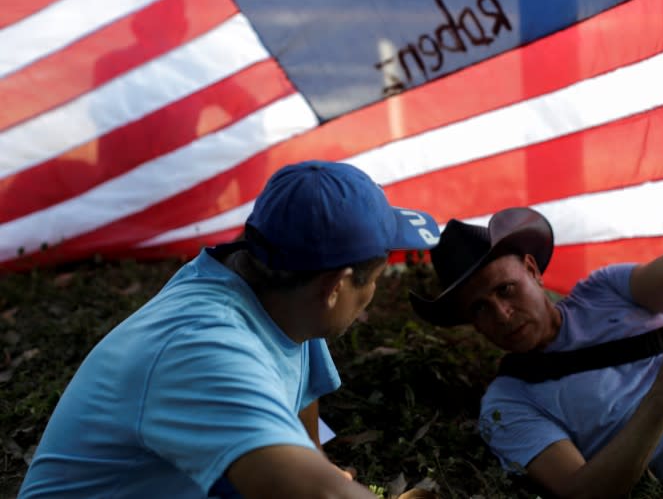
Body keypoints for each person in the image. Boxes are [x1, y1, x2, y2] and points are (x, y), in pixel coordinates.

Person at [409, 128, 663, 498]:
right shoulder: (508, 404)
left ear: (531, 269)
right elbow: (584, 491)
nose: (503, 314)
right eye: (479, 308)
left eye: (505, 289)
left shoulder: (603, 289)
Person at [19, 160, 440, 499]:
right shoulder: (202, 345)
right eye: (373, 279)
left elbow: (299, 402)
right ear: (335, 286)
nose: (373, 293)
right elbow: (319, 493)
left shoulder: (281, 294)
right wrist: (312, 479)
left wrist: (312, 461)